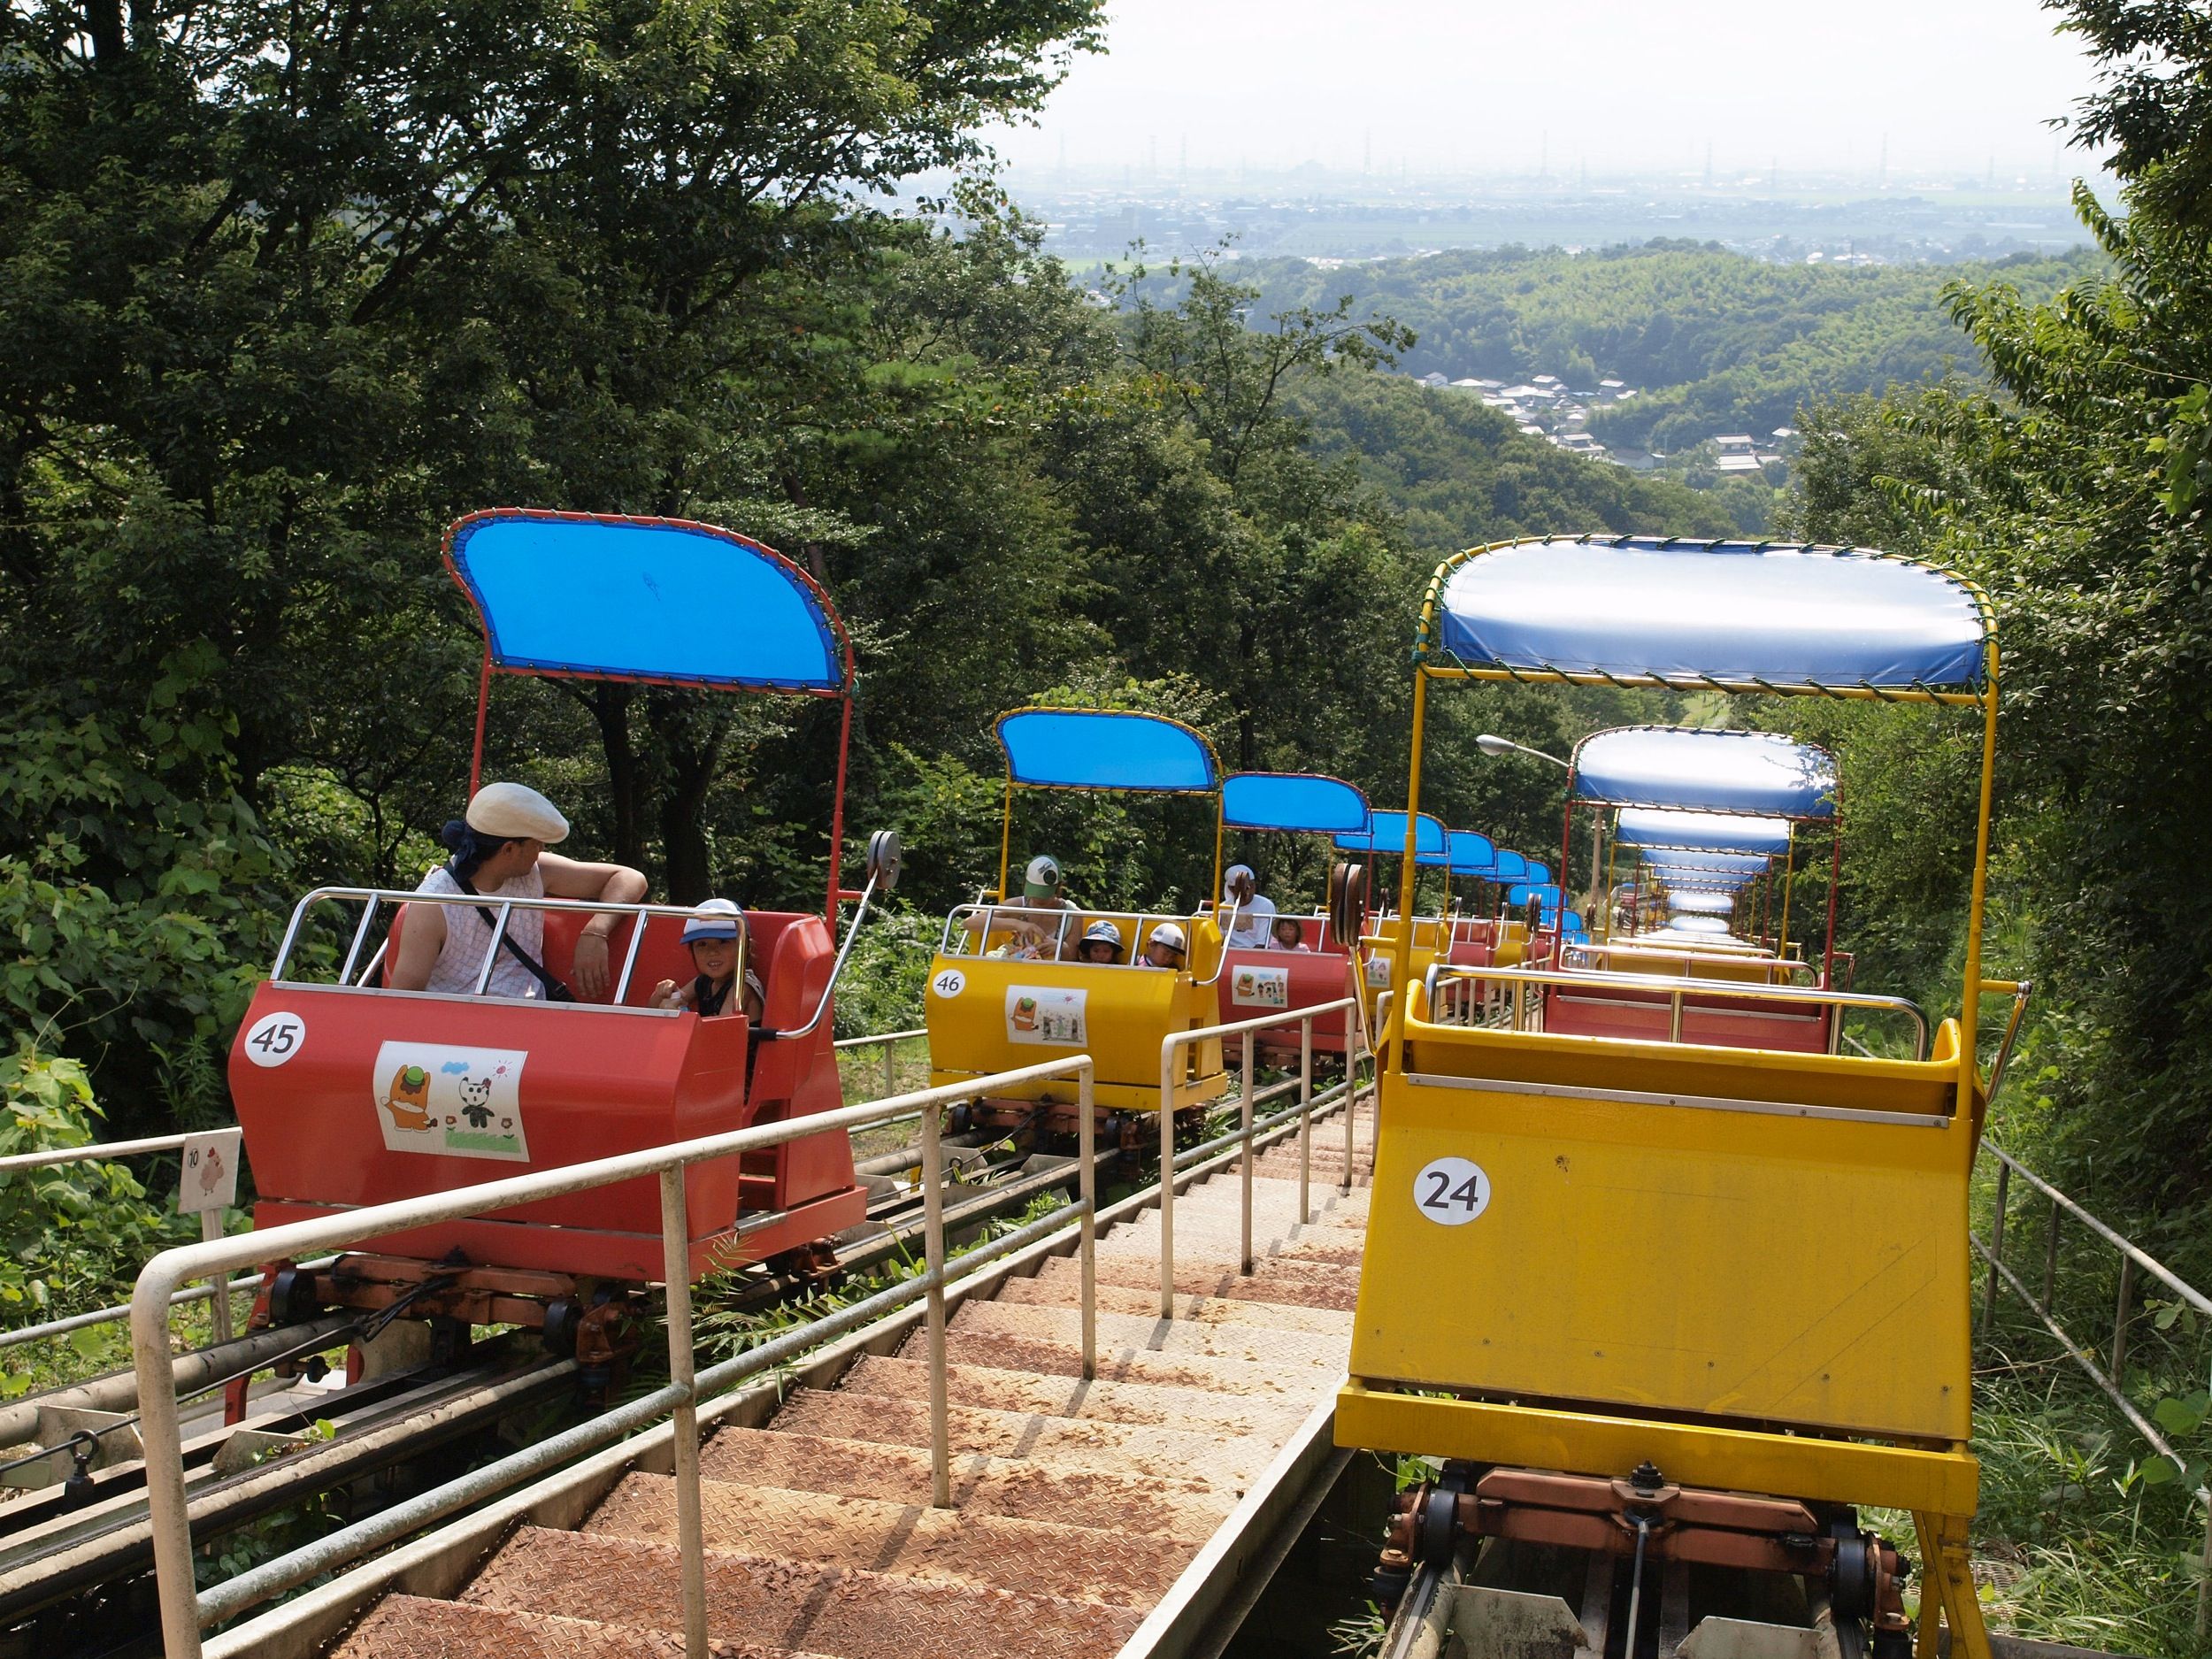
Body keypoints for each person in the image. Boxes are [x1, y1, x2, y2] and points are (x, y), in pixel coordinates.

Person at [388, 782, 648, 1000]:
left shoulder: (535, 871)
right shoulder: (433, 904)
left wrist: (596, 931)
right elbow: (403, 999)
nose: (542, 850)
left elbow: (630, 878)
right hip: (460, 1036)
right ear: (509, 849)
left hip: (529, 1024)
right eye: (536, 843)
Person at [652, 899, 766, 1021]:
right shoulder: (704, 981)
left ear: (745, 946)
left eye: (723, 942)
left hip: (730, 1039)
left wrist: (681, 1017)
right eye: (702, 944)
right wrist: (662, 993)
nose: (712, 952)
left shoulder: (742, 986)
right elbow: (650, 1012)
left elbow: (721, 1030)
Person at [965, 854, 1079, 960]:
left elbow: (1074, 956)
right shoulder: (1018, 905)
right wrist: (1017, 924)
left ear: (1058, 887)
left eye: (1045, 893)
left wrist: (1060, 947)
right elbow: (970, 923)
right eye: (1036, 891)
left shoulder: (1072, 914)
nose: (1039, 898)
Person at [1218, 864, 1277, 950]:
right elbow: (1219, 940)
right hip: (1228, 954)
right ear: (1231, 889)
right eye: (1242, 888)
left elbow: (1262, 943)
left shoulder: (1266, 906)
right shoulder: (1223, 908)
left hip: (1256, 956)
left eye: (1250, 886)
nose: (1247, 891)